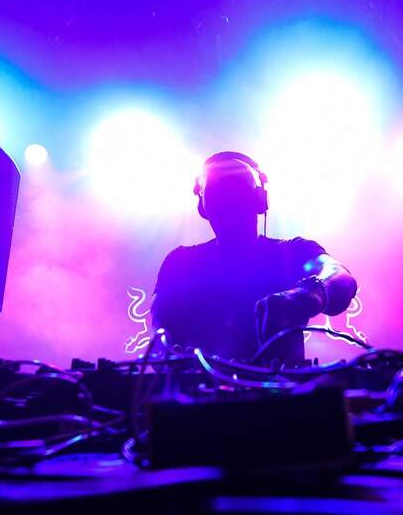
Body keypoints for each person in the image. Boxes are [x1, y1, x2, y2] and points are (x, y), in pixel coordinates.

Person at [149, 151, 358, 365]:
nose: (229, 203)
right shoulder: (180, 264)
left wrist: (310, 295)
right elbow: (158, 336)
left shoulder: (293, 252)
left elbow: (341, 277)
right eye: (218, 194)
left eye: (237, 191)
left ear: (259, 200)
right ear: (202, 206)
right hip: (200, 386)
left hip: (282, 387)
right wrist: (170, 359)